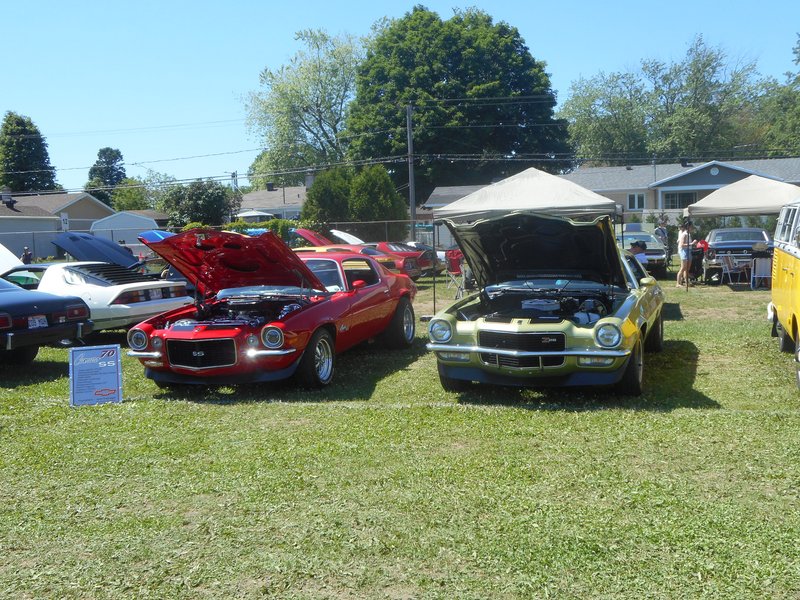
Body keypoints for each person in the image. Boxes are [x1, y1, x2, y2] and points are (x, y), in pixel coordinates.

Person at [676, 219, 696, 287]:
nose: (692, 228)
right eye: (691, 226)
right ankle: (678, 283)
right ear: (688, 227)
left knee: (687, 268)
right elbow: (682, 244)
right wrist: (692, 243)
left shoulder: (688, 234)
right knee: (683, 267)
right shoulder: (684, 234)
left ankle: (686, 282)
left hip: (689, 250)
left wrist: (692, 244)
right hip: (684, 251)